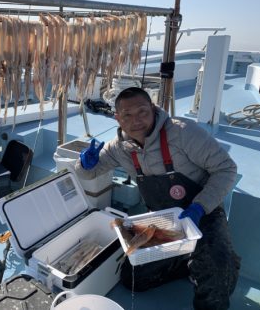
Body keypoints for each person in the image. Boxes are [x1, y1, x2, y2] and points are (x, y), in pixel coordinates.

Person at [74, 87, 241, 310]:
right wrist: (84, 164)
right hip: (164, 220)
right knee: (133, 278)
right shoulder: (118, 148)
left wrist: (199, 207)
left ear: (153, 109)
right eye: (127, 115)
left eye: (142, 111)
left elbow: (226, 169)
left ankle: (218, 262)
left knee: (217, 268)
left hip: (204, 214)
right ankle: (188, 260)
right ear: (117, 118)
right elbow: (88, 174)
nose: (136, 121)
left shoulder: (183, 133)